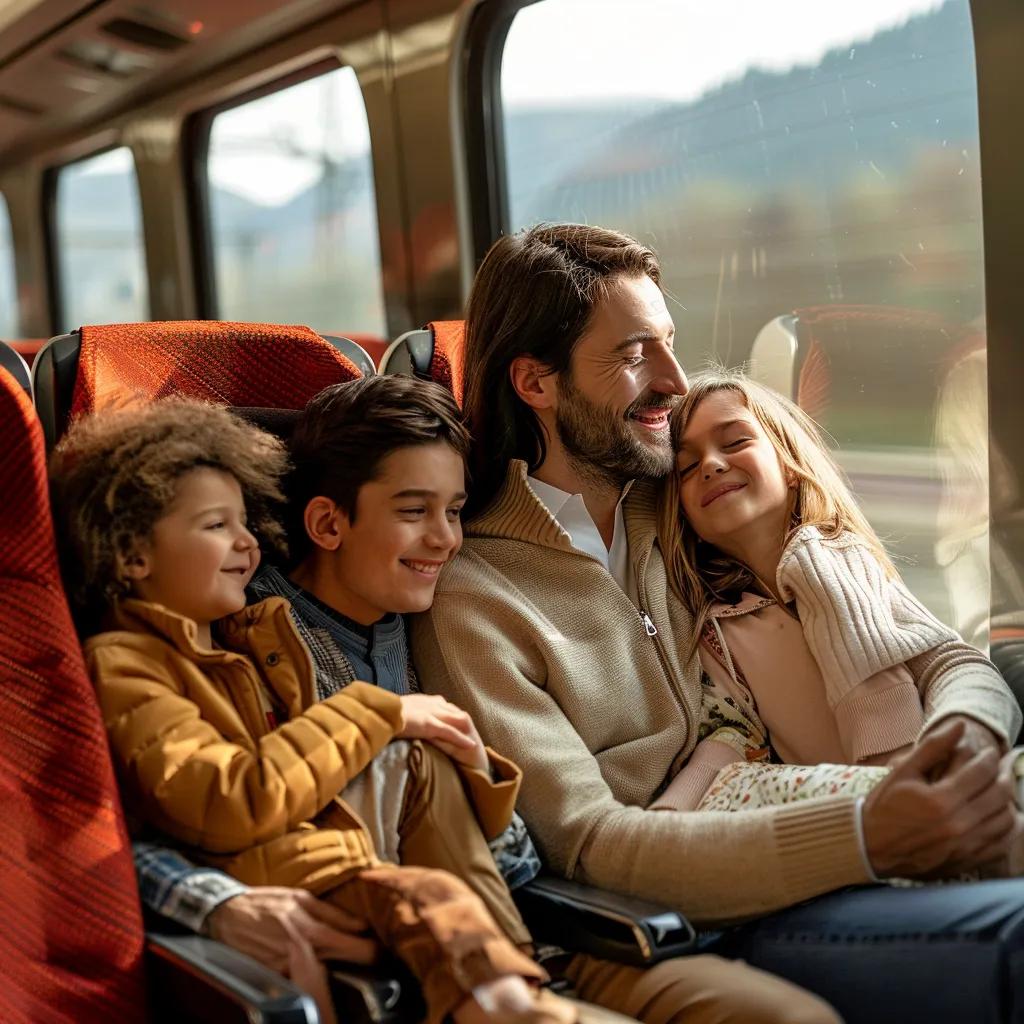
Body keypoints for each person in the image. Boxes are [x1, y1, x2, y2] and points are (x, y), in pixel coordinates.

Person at [410, 222, 1024, 1024]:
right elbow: (592, 846)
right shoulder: (472, 597)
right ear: (537, 382)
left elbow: (938, 653)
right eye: (635, 355)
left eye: (670, 342)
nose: (674, 380)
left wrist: (967, 736)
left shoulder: (688, 502)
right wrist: (870, 831)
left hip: (798, 834)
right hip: (660, 918)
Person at [139, 375, 843, 1024]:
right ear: (327, 526)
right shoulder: (236, 636)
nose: (447, 541)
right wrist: (218, 905)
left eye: (453, 511)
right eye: (415, 512)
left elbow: (509, 852)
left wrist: (483, 787)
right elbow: (144, 820)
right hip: (404, 965)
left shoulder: (437, 615)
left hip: (541, 932)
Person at [49, 398, 606, 1024]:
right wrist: (380, 714)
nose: (246, 542)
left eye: (245, 521)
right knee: (427, 894)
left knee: (420, 769)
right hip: (293, 876)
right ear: (132, 555)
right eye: (215, 526)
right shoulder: (134, 659)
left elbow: (501, 857)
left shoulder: (250, 637)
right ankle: (506, 999)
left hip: (353, 859)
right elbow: (231, 799)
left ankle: (515, 985)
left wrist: (474, 773)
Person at [647, 366, 1020, 815]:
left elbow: (953, 663)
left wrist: (969, 725)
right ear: (684, 515)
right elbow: (730, 737)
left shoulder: (850, 562)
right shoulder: (716, 631)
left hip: (947, 773)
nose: (711, 464)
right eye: (687, 466)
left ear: (788, 466)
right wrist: (669, 815)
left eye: (735, 442)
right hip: (858, 818)